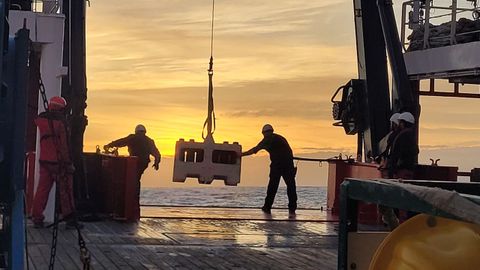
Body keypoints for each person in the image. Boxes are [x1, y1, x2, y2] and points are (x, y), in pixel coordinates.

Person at [32, 96, 80, 229]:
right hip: (59, 163)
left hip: (44, 161)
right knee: (66, 191)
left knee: (42, 190)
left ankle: (37, 217)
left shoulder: (40, 120)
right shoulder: (62, 123)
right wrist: (69, 163)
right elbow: (65, 146)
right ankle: (70, 219)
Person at [242, 124, 297, 215]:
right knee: (291, 186)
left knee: (272, 186)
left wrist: (241, 155)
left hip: (278, 165)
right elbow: (289, 151)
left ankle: (267, 207)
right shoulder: (280, 138)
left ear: (263, 133)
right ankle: (292, 207)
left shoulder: (267, 140)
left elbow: (254, 150)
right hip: (288, 164)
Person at [104, 124, 161, 212]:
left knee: (132, 179)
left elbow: (121, 142)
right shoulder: (149, 141)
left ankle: (129, 196)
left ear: (136, 131)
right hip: (144, 163)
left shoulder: (132, 138)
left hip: (133, 163)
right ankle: (134, 196)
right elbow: (156, 153)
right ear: (145, 132)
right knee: (137, 179)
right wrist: (157, 163)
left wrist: (109, 145)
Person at [387, 112, 419, 179]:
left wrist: (392, 171)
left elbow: (395, 154)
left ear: (403, 123)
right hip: (410, 169)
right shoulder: (411, 136)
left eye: (400, 122)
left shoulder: (401, 136)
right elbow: (416, 150)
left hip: (401, 170)